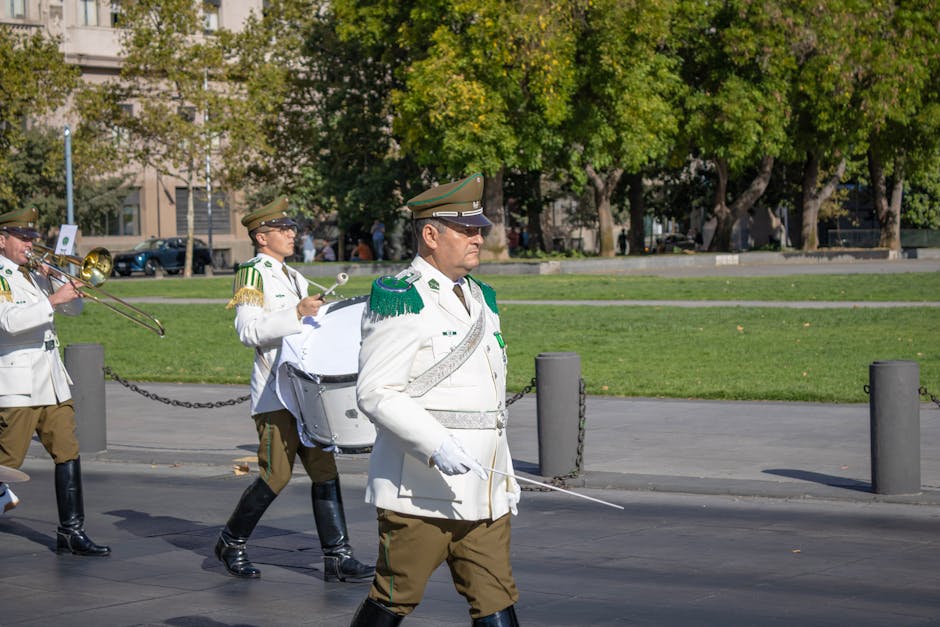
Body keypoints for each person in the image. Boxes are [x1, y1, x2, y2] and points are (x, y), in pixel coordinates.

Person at [350, 173, 521, 626]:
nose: (479, 238)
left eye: (479, 229)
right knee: (391, 601)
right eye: (467, 230)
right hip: (421, 493)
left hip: (484, 489)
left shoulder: (482, 298)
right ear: (431, 234)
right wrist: (435, 442)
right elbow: (374, 390)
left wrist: (504, 475)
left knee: (497, 604)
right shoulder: (402, 297)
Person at [216, 197, 374, 583]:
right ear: (261, 236)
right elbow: (248, 331)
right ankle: (230, 542)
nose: (292, 234)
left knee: (325, 470)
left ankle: (337, 555)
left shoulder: (292, 274)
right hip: (275, 393)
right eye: (283, 229)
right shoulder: (252, 273)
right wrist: (297, 313)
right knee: (276, 474)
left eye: (291, 228)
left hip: (304, 389)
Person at [0, 206, 111, 557]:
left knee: (68, 451)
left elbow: (71, 310)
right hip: (17, 383)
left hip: (51, 380)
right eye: (23, 237)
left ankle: (72, 531)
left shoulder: (33, 272)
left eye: (33, 236)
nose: (31, 242)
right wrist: (51, 299)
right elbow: (10, 322)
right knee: (7, 461)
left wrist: (61, 278)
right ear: (1, 240)